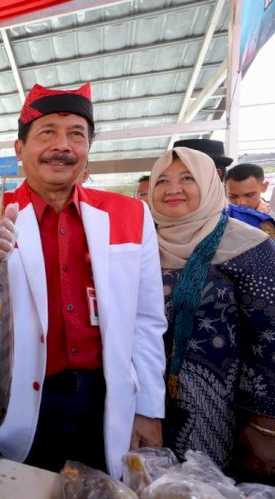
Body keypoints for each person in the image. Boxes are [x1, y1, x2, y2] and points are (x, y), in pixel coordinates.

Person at [0, 82, 167, 478]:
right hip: (9, 400)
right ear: (20, 149)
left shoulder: (130, 214)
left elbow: (146, 321)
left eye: (76, 134)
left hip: (104, 401)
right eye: (47, 133)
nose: (63, 146)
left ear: (88, 148)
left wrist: (148, 407)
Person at [147, 146, 275, 482]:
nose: (173, 189)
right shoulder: (140, 244)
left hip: (228, 413)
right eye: (162, 180)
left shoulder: (250, 245)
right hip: (148, 406)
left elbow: (271, 335)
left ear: (210, 183)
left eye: (187, 178)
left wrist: (263, 421)